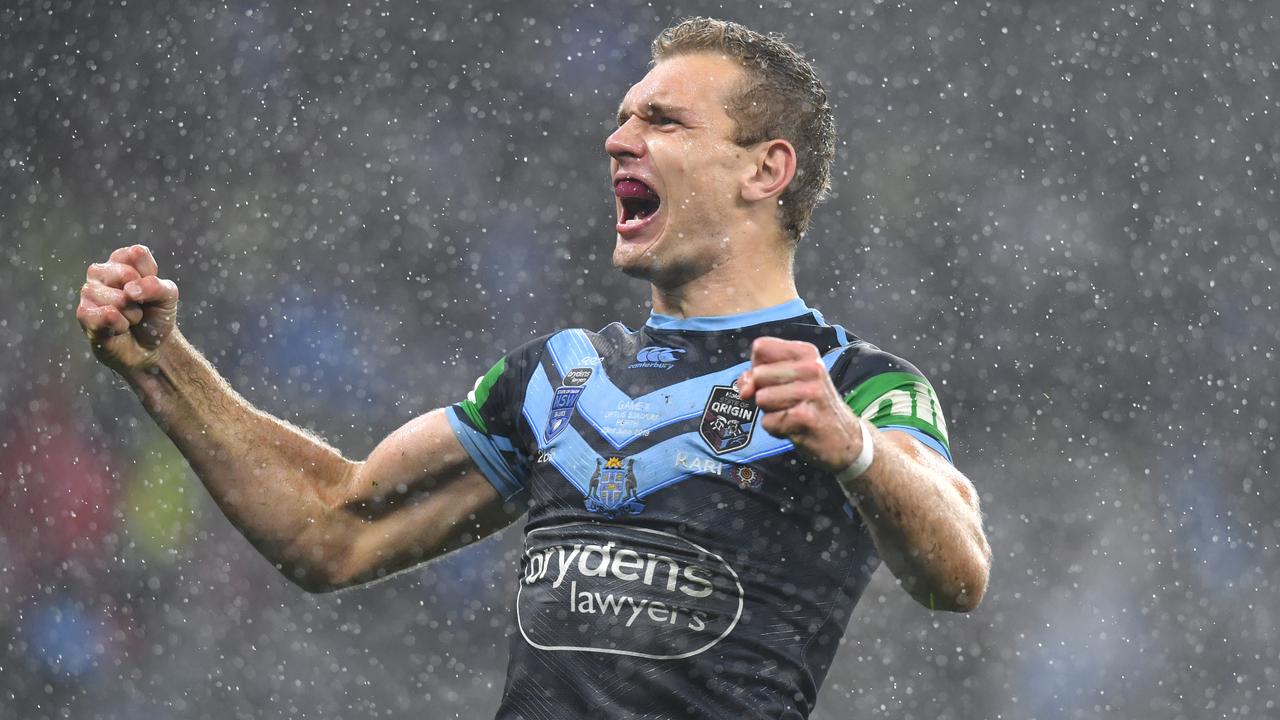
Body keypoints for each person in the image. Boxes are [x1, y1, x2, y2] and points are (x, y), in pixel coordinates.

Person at [76, 17, 991, 720]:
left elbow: (961, 573)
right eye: (621, 117)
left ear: (766, 170)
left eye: (662, 120)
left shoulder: (853, 383)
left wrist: (856, 449)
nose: (618, 140)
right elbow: (330, 532)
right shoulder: (558, 380)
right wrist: (162, 368)